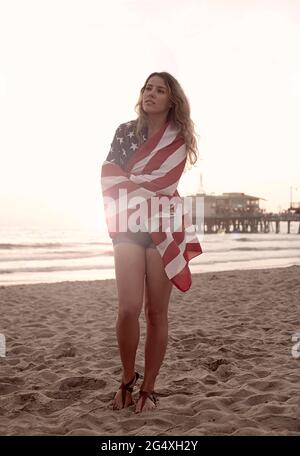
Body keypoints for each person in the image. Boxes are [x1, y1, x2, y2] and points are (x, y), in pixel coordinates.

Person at [101, 71, 202, 414]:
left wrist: (135, 183)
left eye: (160, 90)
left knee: (156, 312)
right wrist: (137, 186)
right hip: (128, 222)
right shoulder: (125, 133)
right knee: (128, 308)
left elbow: (164, 181)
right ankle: (127, 380)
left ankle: (148, 389)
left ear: (172, 100)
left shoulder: (179, 139)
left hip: (164, 221)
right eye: (147, 88)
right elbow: (109, 175)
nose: (151, 94)